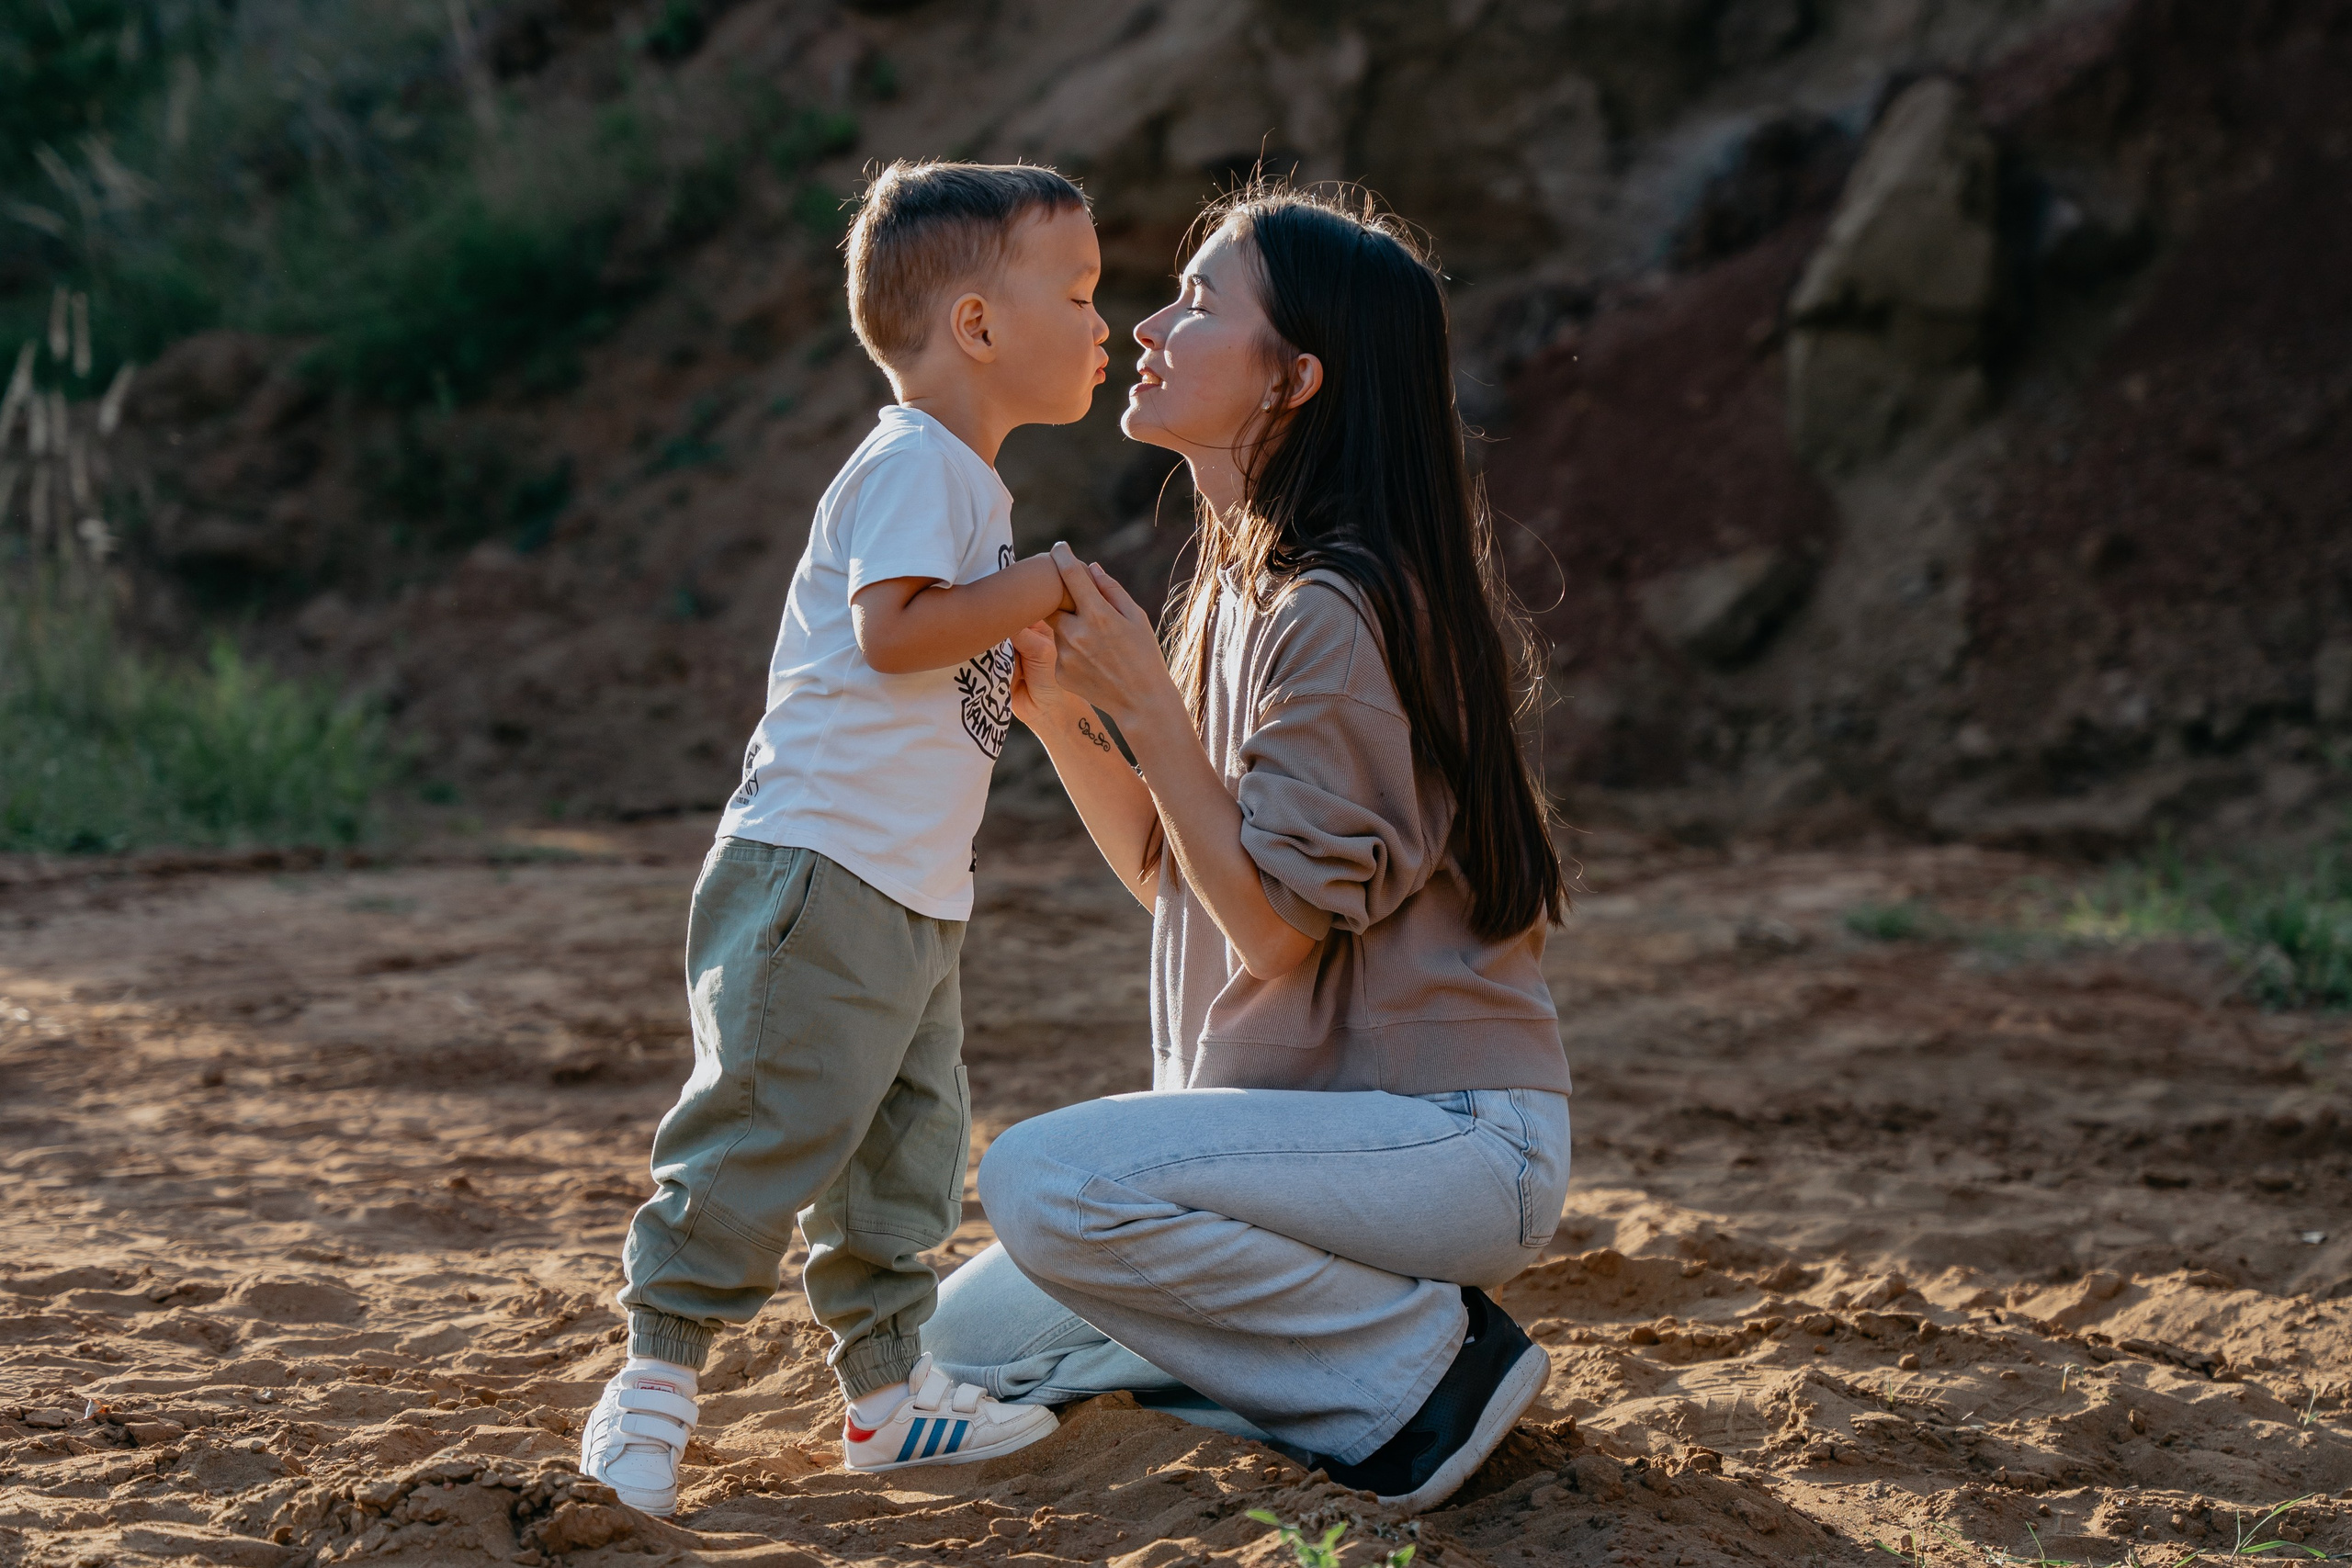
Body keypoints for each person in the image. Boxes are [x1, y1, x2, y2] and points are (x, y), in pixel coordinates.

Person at [924, 184, 1576, 1516]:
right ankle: (1327, 1344)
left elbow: (1278, 932)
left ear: (1296, 379)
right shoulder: (1240, 589)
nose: (1152, 324)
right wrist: (1063, 715)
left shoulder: (1336, 614)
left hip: (1439, 1139)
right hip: (1317, 1150)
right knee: (950, 1351)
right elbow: (1185, 876)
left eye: (1204, 301)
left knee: (1041, 1179)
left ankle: (1421, 1374)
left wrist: (1150, 708)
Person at [578, 160, 1112, 1514]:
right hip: (821, 876)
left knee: (905, 1152)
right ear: (979, 328)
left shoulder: (960, 485)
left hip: (911, 891)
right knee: (760, 1134)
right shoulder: (920, 463)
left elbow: (938, 647)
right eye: (1086, 292)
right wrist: (1040, 583)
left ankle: (887, 1397)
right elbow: (891, 636)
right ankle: (652, 1385)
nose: (1110, 322)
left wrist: (1020, 614)